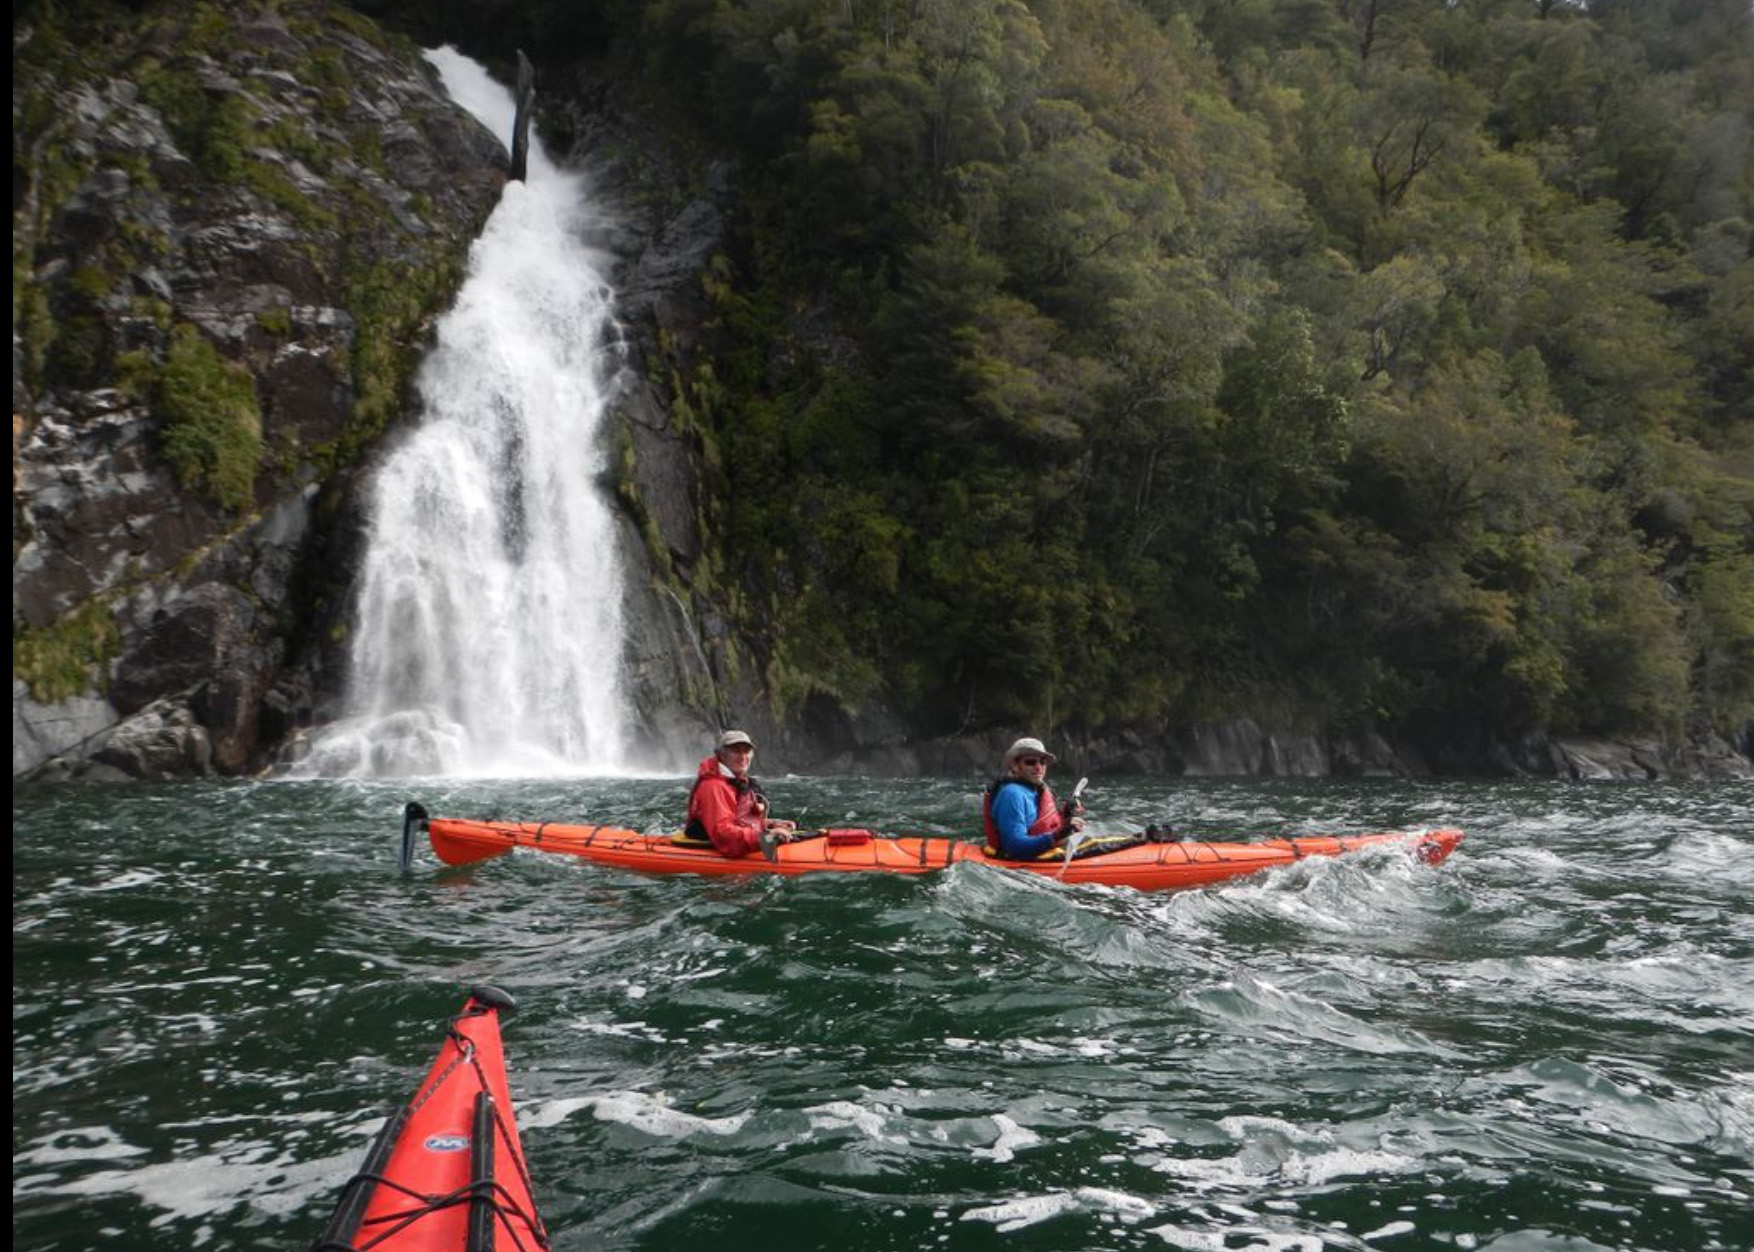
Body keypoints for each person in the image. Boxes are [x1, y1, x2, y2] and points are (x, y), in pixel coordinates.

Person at [686, 729, 797, 858]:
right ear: (722, 755)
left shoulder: (737, 781)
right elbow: (723, 834)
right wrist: (765, 838)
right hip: (719, 859)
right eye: (736, 751)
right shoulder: (713, 787)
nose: (743, 757)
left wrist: (770, 825)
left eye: (747, 751)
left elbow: (740, 821)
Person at [982, 737, 1085, 860]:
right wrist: (1059, 834)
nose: (1038, 767)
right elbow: (1015, 847)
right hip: (1019, 862)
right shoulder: (1012, 795)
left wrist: (1067, 815)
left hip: (1045, 852)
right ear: (1015, 765)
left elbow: (1043, 824)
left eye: (1042, 762)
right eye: (1030, 762)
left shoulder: (1035, 789)